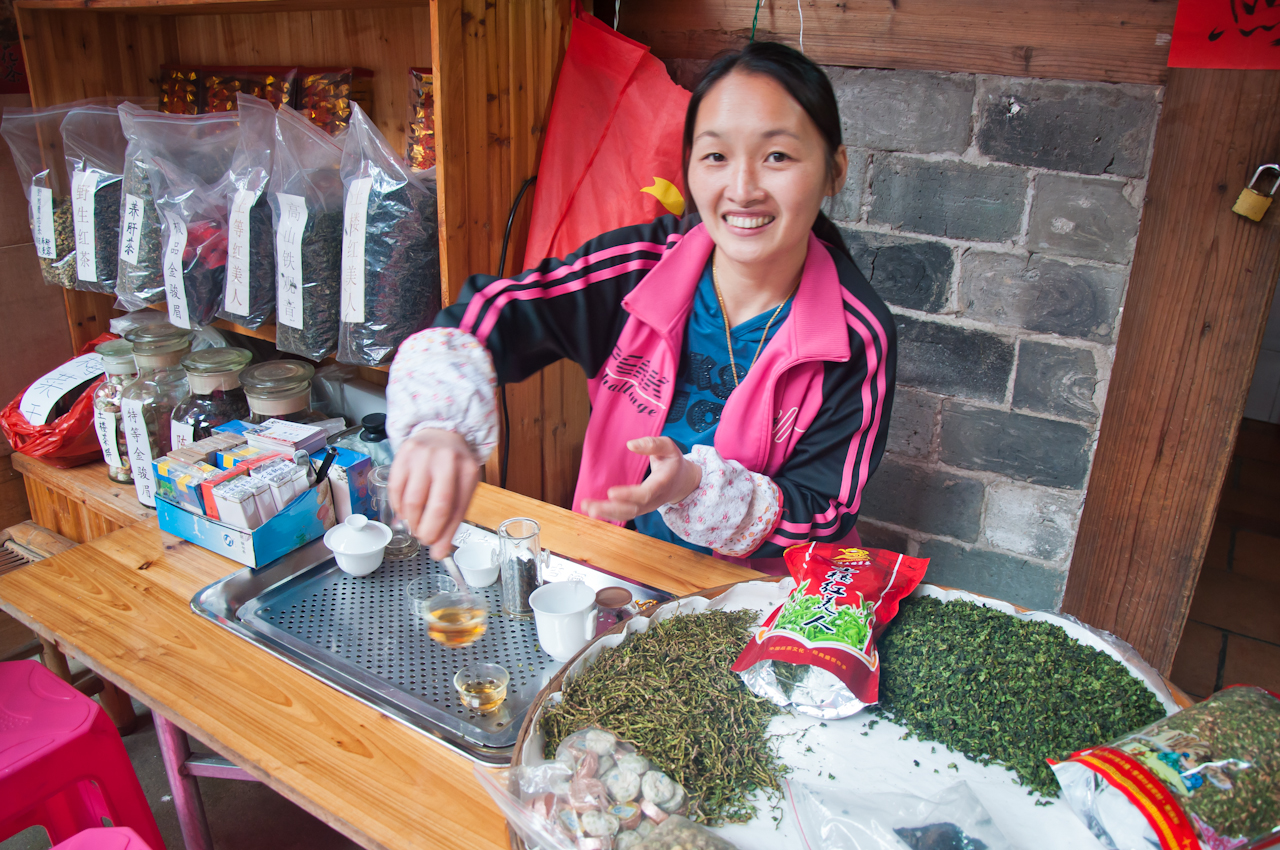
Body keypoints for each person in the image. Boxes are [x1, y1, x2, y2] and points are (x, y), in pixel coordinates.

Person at [386, 41, 896, 572]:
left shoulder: (854, 333)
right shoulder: (639, 266)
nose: (742, 189)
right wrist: (439, 425)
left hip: (755, 594)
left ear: (834, 170)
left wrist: (698, 489)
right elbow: (494, 314)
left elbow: (824, 512)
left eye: (778, 157)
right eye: (716, 156)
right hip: (618, 568)